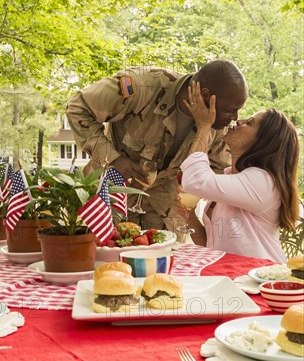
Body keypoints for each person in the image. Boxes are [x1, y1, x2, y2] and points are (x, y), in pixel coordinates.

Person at [65, 60, 248, 231]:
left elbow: (219, 174)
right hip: (108, 201)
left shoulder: (215, 125)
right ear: (206, 95)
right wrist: (114, 158)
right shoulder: (140, 86)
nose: (235, 118)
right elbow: (77, 108)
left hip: (163, 218)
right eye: (231, 110)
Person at [178, 81, 299, 262]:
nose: (239, 120)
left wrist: (204, 127)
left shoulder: (262, 182)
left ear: (263, 142)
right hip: (234, 281)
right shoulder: (232, 179)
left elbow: (194, 180)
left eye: (249, 123)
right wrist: (190, 217)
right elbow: (213, 246)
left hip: (260, 282)